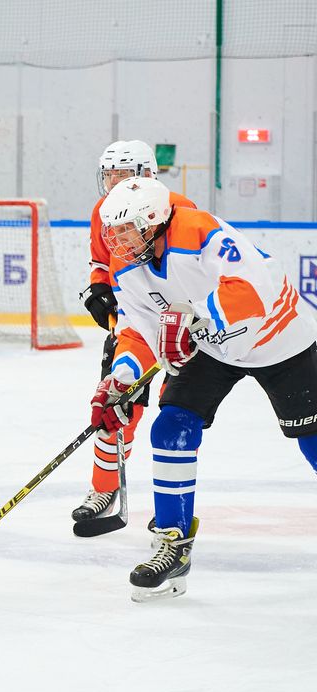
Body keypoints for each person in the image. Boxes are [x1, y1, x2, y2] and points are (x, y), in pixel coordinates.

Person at [91, 177, 317, 601]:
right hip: (210, 348)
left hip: (275, 337)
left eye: (126, 230)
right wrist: (120, 379)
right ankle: (173, 543)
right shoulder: (126, 266)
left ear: (154, 220)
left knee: (313, 442)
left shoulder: (197, 230)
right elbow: (141, 332)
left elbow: (253, 287)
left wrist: (196, 317)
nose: (117, 241)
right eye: (113, 232)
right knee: (171, 427)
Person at [72, 140, 197, 531]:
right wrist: (99, 287)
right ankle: (103, 489)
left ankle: (171, 506)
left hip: (181, 328)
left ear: (146, 175)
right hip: (133, 325)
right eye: (109, 175)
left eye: (122, 175)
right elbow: (100, 260)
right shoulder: (103, 210)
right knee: (117, 407)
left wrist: (193, 321)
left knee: (174, 418)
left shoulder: (180, 208)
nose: (113, 183)